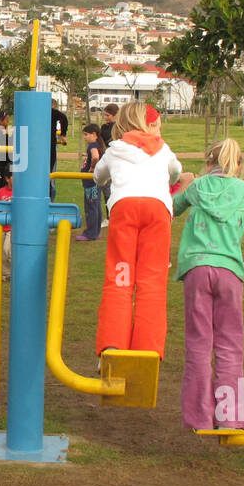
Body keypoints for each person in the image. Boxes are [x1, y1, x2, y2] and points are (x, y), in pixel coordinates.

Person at [172, 139, 244, 432]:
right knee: (230, 344)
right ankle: (230, 416)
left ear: (208, 163)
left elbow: (172, 208)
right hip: (228, 271)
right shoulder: (243, 191)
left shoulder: (197, 188)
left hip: (197, 268)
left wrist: (183, 184)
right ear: (238, 166)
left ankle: (198, 417)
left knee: (199, 344)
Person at [92, 102, 182, 361]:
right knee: (152, 282)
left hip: (124, 208)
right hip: (158, 210)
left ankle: (112, 346)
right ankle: (149, 350)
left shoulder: (115, 148)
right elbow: (175, 173)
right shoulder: (163, 149)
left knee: (119, 279)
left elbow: (99, 176)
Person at [77, 124, 103, 241]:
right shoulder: (98, 145)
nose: (85, 137)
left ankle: (91, 233)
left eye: (86, 135)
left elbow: (95, 156)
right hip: (94, 181)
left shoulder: (93, 145)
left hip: (91, 181)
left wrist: (92, 168)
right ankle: (96, 231)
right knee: (96, 206)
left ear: (94, 135)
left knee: (91, 206)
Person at [98, 103, 119, 226]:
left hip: (115, 161)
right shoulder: (104, 127)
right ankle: (110, 216)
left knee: (111, 190)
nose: (106, 117)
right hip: (107, 158)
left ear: (115, 115)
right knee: (107, 190)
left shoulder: (118, 128)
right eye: (104, 115)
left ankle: (112, 217)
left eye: (108, 115)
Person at [0, 174, 14, 281]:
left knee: (7, 250)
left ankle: (17, 272)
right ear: (7, 178)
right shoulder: (1, 192)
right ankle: (7, 274)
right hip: (2, 228)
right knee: (1, 252)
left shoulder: (21, 193)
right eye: (13, 177)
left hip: (13, 228)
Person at [48, 106, 69, 199]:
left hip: (43, 146)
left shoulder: (49, 111)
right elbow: (63, 118)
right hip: (49, 146)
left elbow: (63, 118)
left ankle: (49, 199)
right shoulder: (50, 111)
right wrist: (63, 134)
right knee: (48, 174)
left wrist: (62, 134)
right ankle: (49, 199)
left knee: (47, 175)